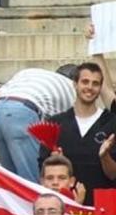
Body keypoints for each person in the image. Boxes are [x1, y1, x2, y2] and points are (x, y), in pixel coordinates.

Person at [0, 65, 76, 182]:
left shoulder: (28, 73)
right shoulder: (70, 87)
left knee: (12, 183)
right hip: (21, 115)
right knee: (32, 183)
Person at [46, 62, 116, 204]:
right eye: (85, 82)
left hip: (103, 208)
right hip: (66, 208)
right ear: (75, 84)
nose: (89, 87)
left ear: (100, 88)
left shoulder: (112, 123)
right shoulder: (54, 124)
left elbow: (113, 174)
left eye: (95, 83)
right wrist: (56, 161)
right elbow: (44, 175)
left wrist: (104, 156)